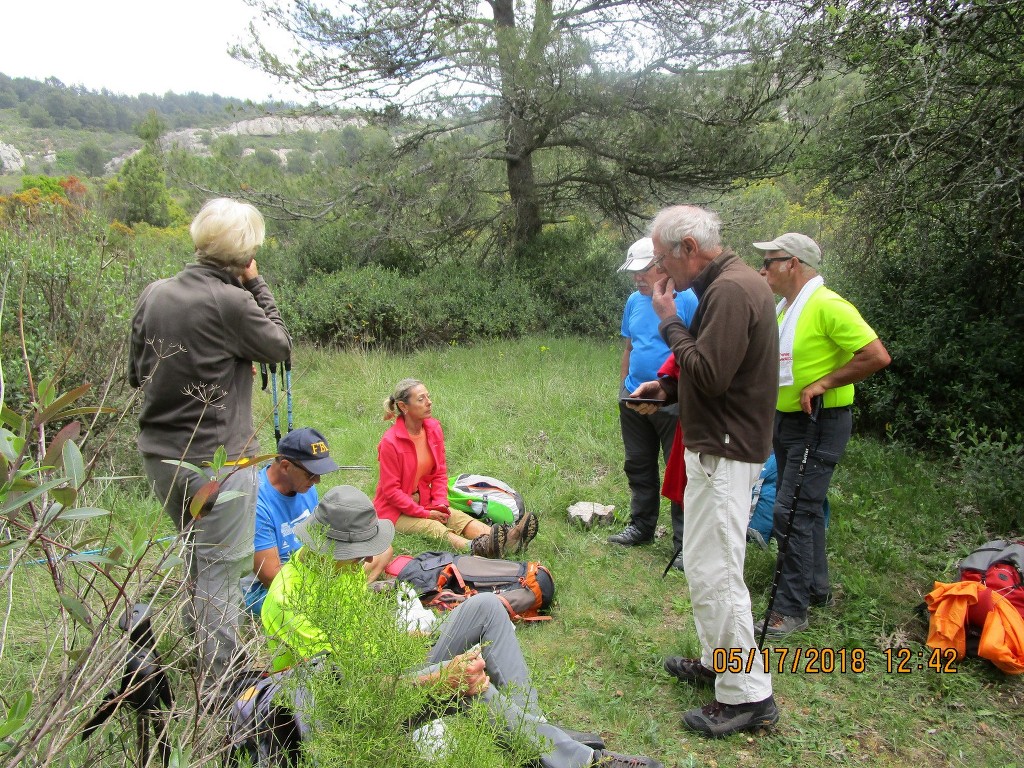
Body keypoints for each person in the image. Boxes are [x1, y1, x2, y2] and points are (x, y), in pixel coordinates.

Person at [261, 484, 663, 768]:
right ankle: (578, 761)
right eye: (357, 551)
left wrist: (407, 642)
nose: (364, 558)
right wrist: (440, 679)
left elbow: (362, 646)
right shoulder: (289, 601)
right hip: (355, 714)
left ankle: (534, 733)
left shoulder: (337, 568)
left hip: (383, 675)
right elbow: (352, 694)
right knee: (470, 682)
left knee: (486, 606)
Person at [628, 205, 780, 737]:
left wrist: (667, 318)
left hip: (726, 452)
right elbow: (714, 368)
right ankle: (720, 663)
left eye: (664, 257)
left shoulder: (733, 290)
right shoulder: (725, 287)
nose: (661, 272)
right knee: (702, 564)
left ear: (689, 247)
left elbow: (712, 375)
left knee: (719, 575)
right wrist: (667, 388)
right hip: (716, 445)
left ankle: (748, 696)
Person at [128, 197, 291, 683]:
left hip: (161, 458)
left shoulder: (153, 293)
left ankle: (198, 637)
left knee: (197, 553)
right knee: (223, 573)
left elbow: (137, 375)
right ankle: (221, 685)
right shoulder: (234, 301)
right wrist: (257, 284)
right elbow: (280, 346)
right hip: (219, 463)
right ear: (244, 254)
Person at [753, 232, 890, 638]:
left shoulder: (828, 304)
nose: (764, 268)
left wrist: (823, 382)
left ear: (792, 263)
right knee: (801, 508)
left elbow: (876, 355)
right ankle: (816, 588)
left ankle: (790, 609)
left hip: (820, 422)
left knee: (791, 512)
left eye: (770, 261)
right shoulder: (785, 309)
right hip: (788, 421)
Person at [373, 378, 538, 558]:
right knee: (433, 526)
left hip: (423, 500)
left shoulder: (433, 428)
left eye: (428, 397)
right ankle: (478, 548)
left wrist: (440, 505)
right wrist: (425, 513)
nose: (429, 402)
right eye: (421, 399)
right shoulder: (390, 442)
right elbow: (391, 492)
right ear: (404, 407)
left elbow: (439, 474)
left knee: (456, 517)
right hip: (393, 510)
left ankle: (509, 540)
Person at [611, 238, 697, 569]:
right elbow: (630, 347)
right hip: (634, 398)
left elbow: (693, 351)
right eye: (633, 273)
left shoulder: (687, 300)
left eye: (642, 271)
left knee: (680, 472)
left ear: (660, 266)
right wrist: (623, 390)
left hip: (672, 402)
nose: (637, 279)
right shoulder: (634, 301)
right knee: (638, 463)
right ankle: (641, 526)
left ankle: (683, 543)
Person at [242, 426, 391, 616]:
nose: (317, 480)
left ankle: (344, 595)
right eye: (311, 473)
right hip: (271, 589)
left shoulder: (304, 486)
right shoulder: (257, 505)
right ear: (286, 466)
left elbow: (323, 535)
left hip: (309, 564)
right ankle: (344, 597)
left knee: (381, 550)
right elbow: (272, 577)